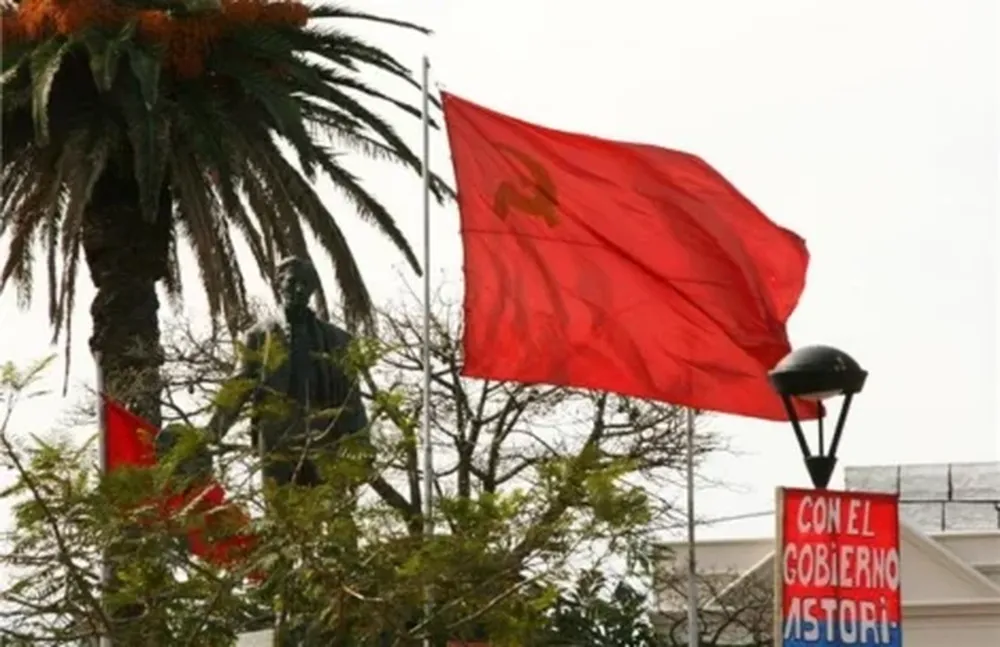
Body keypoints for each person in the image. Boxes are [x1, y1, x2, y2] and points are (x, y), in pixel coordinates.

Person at [208, 256, 369, 488]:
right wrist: (212, 432)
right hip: (276, 438)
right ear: (279, 284)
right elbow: (238, 386)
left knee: (329, 511)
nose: (300, 289)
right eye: (293, 282)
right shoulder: (258, 336)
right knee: (280, 514)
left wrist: (361, 442)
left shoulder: (338, 340)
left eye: (306, 283)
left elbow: (352, 396)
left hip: (324, 435)